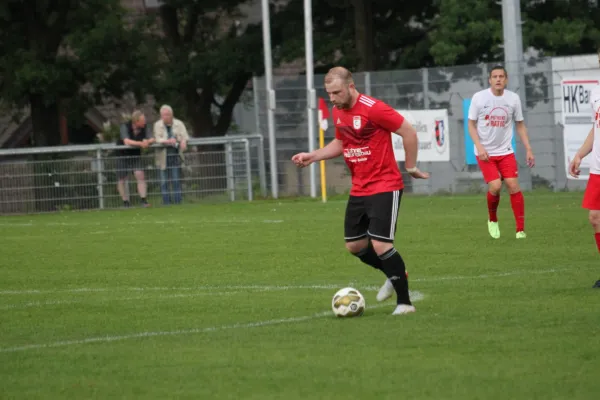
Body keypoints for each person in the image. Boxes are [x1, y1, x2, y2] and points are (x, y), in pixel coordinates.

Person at [291, 67, 429, 315]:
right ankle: (393, 272)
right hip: (360, 187)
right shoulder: (338, 111)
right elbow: (341, 142)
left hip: (385, 185)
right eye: (329, 93)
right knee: (354, 246)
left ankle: (405, 303)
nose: (332, 98)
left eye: (336, 92)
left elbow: (407, 131)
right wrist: (312, 156)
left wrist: (411, 166)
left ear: (350, 87)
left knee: (381, 244)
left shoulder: (373, 108)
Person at [467, 65, 535, 239]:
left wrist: (528, 149)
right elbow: (471, 124)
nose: (498, 79)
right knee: (496, 186)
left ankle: (520, 230)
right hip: (485, 153)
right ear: (490, 80)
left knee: (513, 185)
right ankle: (492, 219)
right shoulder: (479, 98)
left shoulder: (513, 99)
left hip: (505, 151)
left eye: (501, 76)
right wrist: (480, 147)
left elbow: (519, 124)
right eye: (495, 76)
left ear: (506, 79)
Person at [568, 75, 600, 289]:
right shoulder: (596, 92)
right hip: (598, 168)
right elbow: (595, 127)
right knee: (595, 218)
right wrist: (580, 154)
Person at [116, 110, 154, 207]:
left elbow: (152, 138)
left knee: (140, 175)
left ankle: (143, 200)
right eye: (142, 120)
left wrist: (147, 141)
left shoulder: (145, 127)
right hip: (122, 155)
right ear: (136, 121)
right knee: (122, 179)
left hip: (135, 155)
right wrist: (141, 143)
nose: (144, 122)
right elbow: (127, 141)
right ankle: (125, 202)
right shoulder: (124, 126)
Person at [153, 104, 189, 205]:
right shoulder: (157, 125)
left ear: (172, 114)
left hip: (175, 156)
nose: (166, 117)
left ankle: (178, 202)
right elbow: (158, 139)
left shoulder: (179, 124)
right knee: (164, 182)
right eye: (163, 115)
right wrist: (168, 141)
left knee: (176, 180)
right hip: (162, 157)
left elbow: (185, 136)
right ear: (161, 115)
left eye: (168, 115)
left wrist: (183, 141)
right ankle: (166, 203)